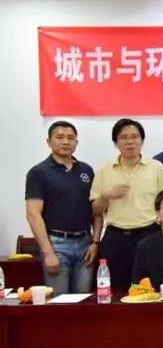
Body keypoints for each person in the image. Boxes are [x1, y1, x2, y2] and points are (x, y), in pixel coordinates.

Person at [90, 118, 163, 290]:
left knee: (151, 287)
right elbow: (95, 210)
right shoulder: (105, 170)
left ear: (142, 141)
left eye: (134, 136)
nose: (130, 141)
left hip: (149, 233)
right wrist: (106, 196)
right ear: (116, 143)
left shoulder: (156, 167)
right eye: (124, 137)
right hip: (116, 237)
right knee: (116, 289)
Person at [25, 121, 102, 293]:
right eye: (59, 137)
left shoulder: (86, 170)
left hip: (86, 245)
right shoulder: (38, 173)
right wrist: (48, 253)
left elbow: (96, 211)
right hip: (57, 245)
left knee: (84, 300)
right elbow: (33, 215)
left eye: (70, 138)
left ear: (76, 142)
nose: (66, 142)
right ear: (49, 142)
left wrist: (95, 242)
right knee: (59, 302)